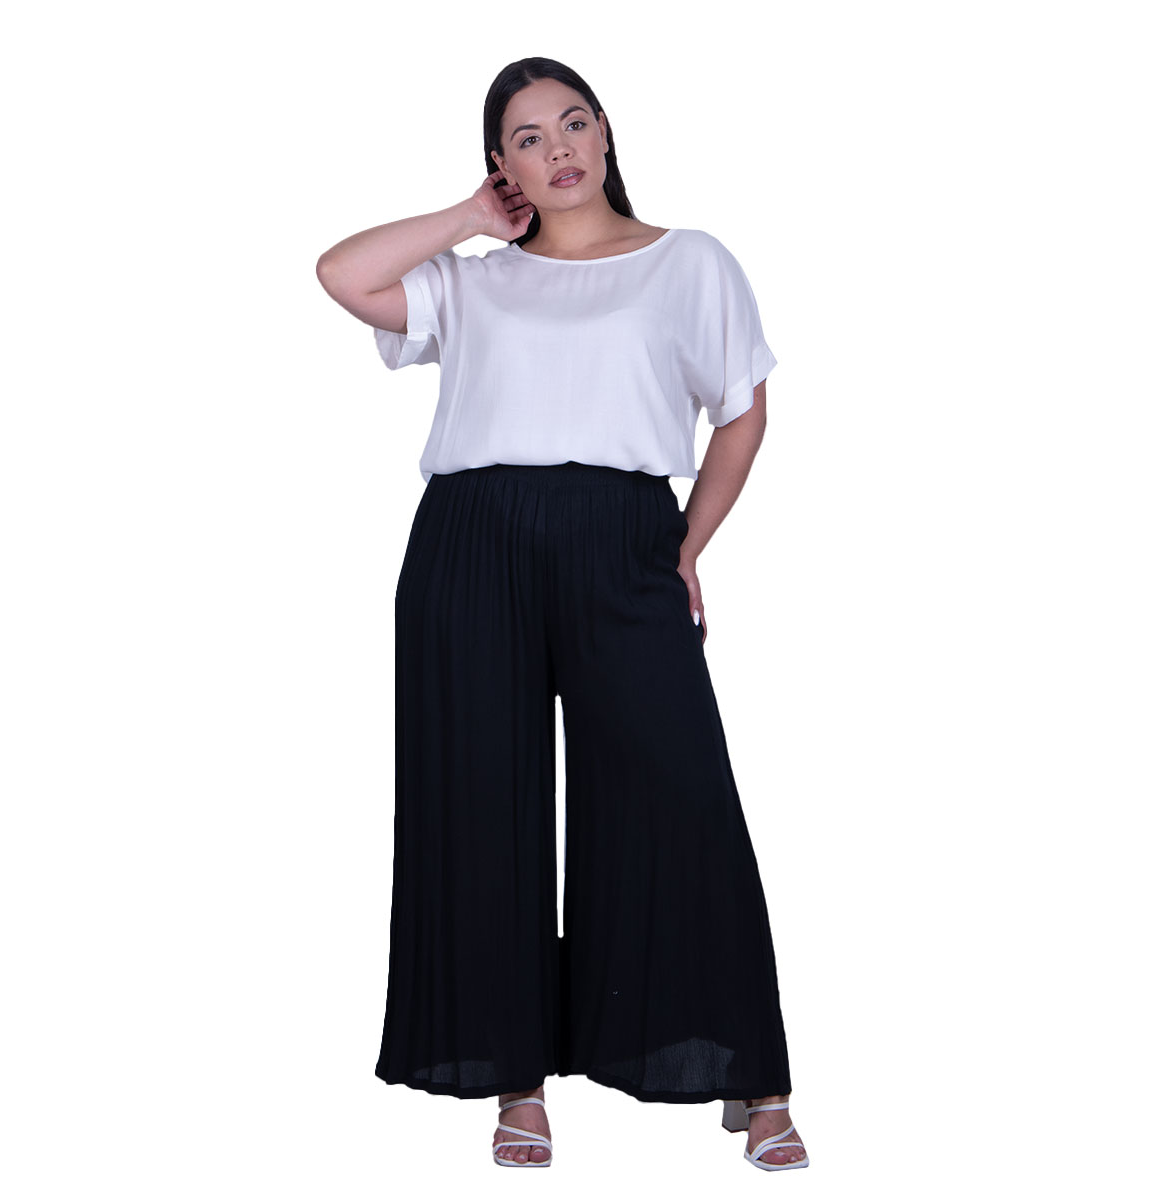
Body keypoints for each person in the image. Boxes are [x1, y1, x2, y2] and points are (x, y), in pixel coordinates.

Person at [316, 57, 808, 1174]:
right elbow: (341, 273)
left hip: (623, 535)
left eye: (572, 123)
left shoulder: (689, 262)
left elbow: (740, 416)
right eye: (528, 139)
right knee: (481, 805)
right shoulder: (474, 281)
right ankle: (516, 1082)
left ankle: (752, 1076)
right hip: (471, 541)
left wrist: (686, 547)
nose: (558, 149)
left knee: (683, 796)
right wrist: (467, 218)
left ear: (606, 130)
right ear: (503, 165)